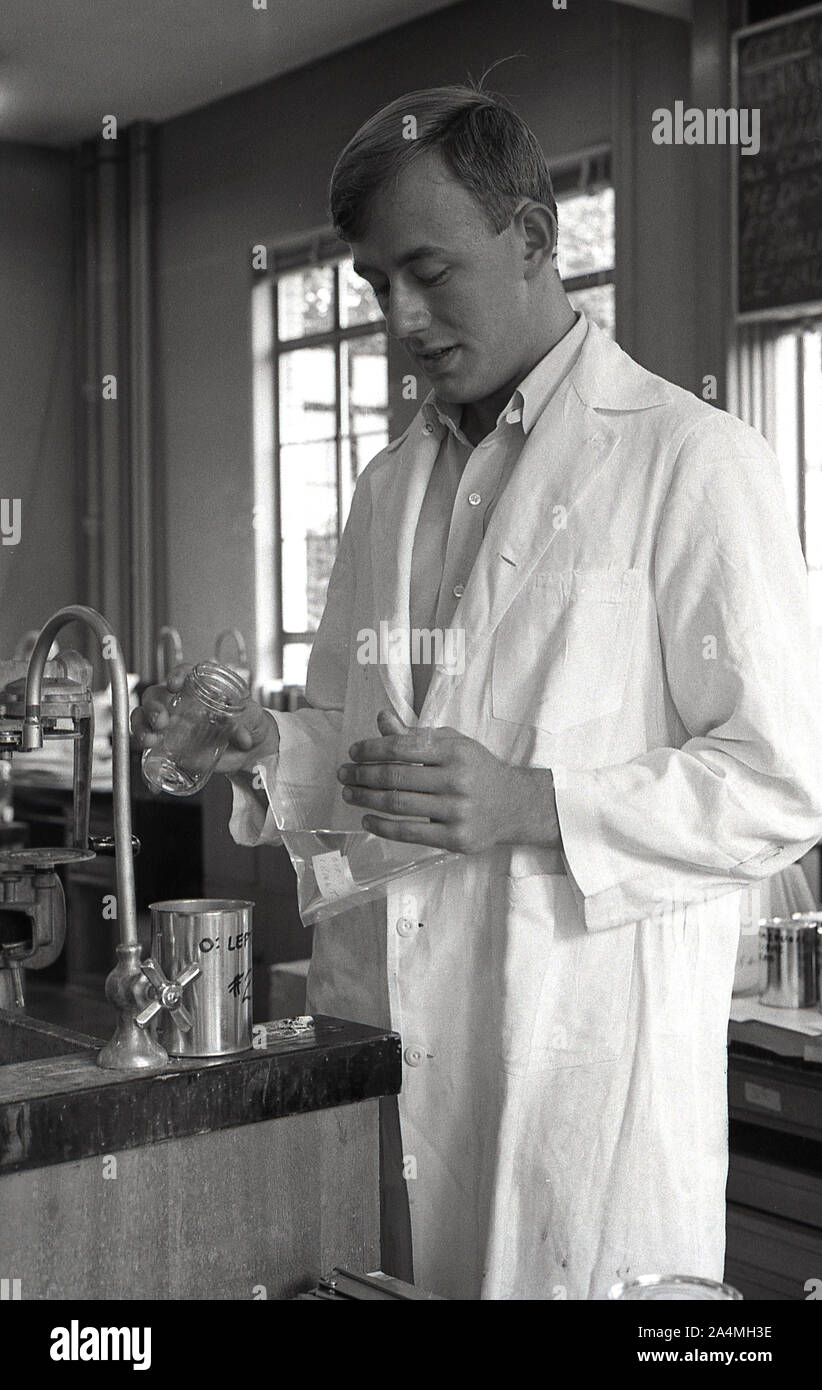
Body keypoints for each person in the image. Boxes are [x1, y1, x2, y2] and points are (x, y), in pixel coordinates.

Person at [134, 86, 822, 1300]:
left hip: (583, 1094)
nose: (399, 316)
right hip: (394, 1063)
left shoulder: (689, 459)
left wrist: (535, 805)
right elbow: (365, 751)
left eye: (429, 271)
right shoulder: (389, 486)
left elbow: (782, 781)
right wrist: (265, 742)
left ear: (536, 239)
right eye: (373, 286)